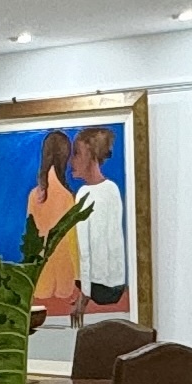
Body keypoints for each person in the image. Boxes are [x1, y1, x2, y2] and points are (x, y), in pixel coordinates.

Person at [69, 127, 131, 312]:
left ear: (91, 156)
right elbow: (115, 244)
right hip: (116, 287)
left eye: (77, 153)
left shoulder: (84, 194)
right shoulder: (112, 189)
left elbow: (85, 250)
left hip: (96, 290)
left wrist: (84, 295)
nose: (72, 161)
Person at [23, 133, 85, 315]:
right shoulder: (67, 197)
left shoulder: (33, 196)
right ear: (65, 157)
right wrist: (79, 279)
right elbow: (72, 243)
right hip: (64, 282)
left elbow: (29, 240)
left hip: (40, 281)